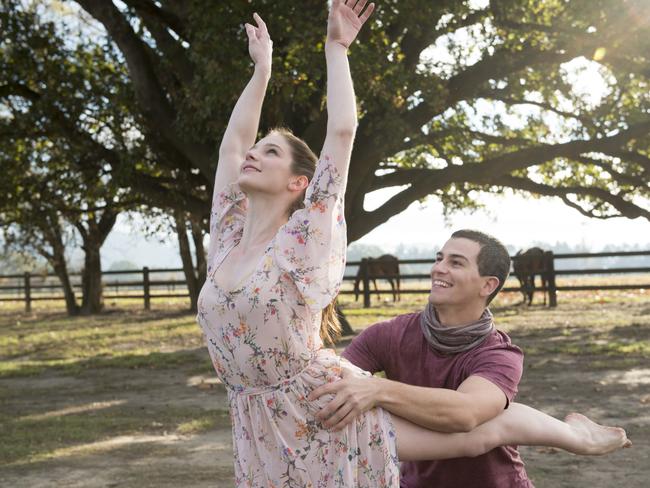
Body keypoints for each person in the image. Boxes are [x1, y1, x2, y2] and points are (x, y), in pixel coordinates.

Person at [197, 2, 630, 486]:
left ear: (300, 183)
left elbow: (342, 131)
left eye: (270, 151)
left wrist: (336, 47)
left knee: (472, 435)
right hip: (252, 419)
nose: (253, 155)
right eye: (256, 150)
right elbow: (232, 146)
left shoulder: (302, 241)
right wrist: (261, 72)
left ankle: (580, 436)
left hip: (320, 403)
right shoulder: (227, 239)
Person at [309, 230, 632, 487]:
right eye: (439, 258)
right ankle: (575, 436)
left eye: (456, 262)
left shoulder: (499, 354)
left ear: (487, 285)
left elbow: (464, 415)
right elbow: (337, 390)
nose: (439, 268)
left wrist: (378, 391)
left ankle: (577, 436)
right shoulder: (387, 334)